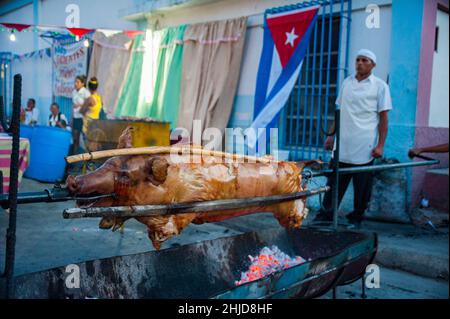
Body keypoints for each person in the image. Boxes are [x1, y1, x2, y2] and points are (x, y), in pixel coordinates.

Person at [314, 49, 393, 224]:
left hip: (365, 145)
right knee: (334, 184)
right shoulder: (347, 83)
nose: (360, 63)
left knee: (362, 187)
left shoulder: (380, 86)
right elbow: (338, 111)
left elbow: (384, 118)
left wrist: (380, 145)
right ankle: (325, 217)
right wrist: (331, 135)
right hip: (342, 144)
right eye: (358, 60)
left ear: (373, 64)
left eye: (364, 60)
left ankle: (356, 218)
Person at [71, 75, 90, 154]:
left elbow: (90, 104)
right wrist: (72, 119)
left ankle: (89, 157)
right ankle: (75, 158)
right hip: (75, 118)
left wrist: (80, 105)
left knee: (86, 138)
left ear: (83, 83)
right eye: (75, 82)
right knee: (75, 138)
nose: (76, 84)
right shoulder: (74, 92)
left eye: (78, 82)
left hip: (83, 118)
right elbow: (73, 106)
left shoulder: (86, 92)